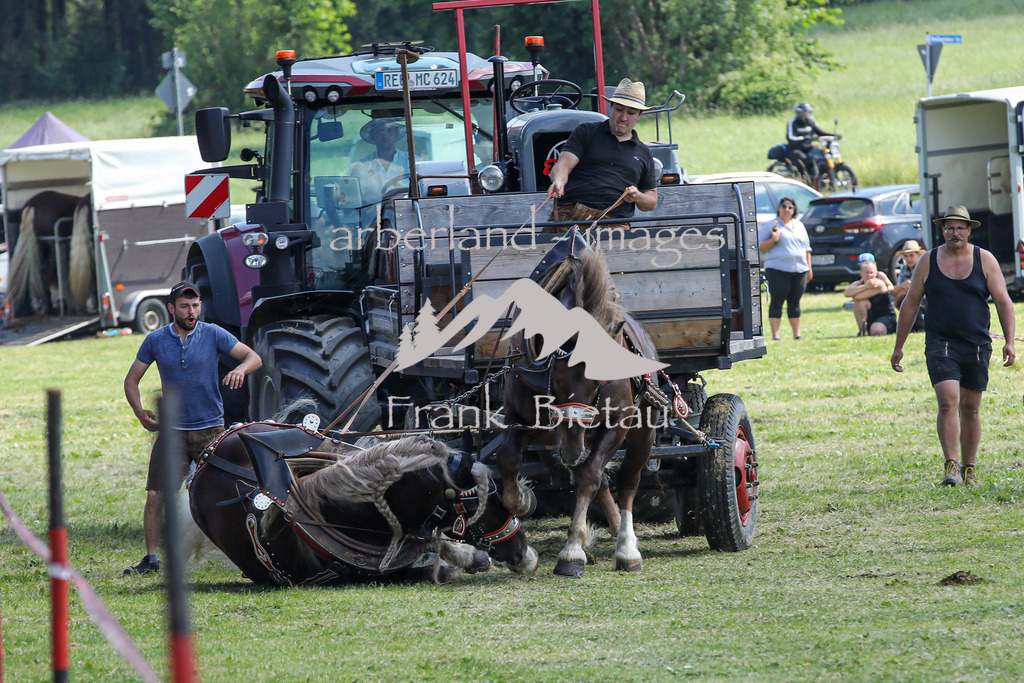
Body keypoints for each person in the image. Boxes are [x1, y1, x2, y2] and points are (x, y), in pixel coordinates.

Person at [122, 281, 262, 574]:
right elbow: (131, 379)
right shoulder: (156, 340)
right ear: (171, 309)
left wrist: (239, 369)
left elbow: (254, 358)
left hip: (211, 430)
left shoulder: (213, 334)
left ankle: (245, 556)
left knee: (227, 495)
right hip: (172, 433)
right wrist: (139, 412)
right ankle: (151, 560)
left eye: (196, 305)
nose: (191, 311)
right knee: (155, 496)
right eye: (185, 306)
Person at [890, 206, 1016, 487]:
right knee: (948, 400)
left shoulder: (985, 259)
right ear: (943, 230)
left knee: (971, 407)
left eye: (961, 228)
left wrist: (1009, 341)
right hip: (940, 342)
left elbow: (1004, 301)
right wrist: (899, 345)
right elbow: (910, 304)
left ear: (970, 230)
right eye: (950, 228)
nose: (955, 233)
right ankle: (951, 466)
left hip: (976, 344)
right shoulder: (928, 261)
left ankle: (969, 467)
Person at [546, 78, 659, 225]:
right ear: (611, 106)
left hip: (615, 221)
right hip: (570, 213)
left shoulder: (643, 153)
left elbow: (651, 199)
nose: (623, 118)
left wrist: (637, 196)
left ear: (639, 115)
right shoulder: (586, 132)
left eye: (631, 113)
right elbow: (564, 165)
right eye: (619, 110)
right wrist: (558, 181)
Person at [758, 196, 812, 340]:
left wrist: (809, 268)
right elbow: (760, 246)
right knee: (778, 300)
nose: (787, 209)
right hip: (778, 269)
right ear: (779, 208)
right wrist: (773, 240)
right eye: (784, 206)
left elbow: (807, 248)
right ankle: (775, 335)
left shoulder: (799, 225)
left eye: (790, 207)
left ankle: (797, 334)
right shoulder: (771, 225)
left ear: (794, 210)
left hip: (800, 269)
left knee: (795, 301)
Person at [350, 117, 411, 202]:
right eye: (380, 131)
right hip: (374, 214)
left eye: (389, 130)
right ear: (373, 135)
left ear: (396, 134)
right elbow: (355, 200)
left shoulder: (412, 161)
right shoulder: (360, 167)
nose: (385, 135)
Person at [844, 253, 896, 336]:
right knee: (859, 303)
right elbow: (846, 293)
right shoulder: (860, 283)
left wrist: (857, 291)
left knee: (876, 331)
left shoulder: (879, 283)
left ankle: (880, 328)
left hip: (885, 316)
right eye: (866, 272)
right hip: (871, 316)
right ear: (861, 273)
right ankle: (863, 330)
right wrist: (865, 286)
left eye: (871, 272)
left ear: (876, 273)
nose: (869, 275)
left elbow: (857, 297)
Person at [785, 102, 834, 177]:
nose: (806, 115)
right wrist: (803, 138)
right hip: (795, 148)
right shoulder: (793, 122)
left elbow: (820, 132)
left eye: (807, 113)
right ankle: (803, 177)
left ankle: (820, 176)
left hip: (807, 147)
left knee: (820, 154)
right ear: (798, 113)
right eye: (803, 113)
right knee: (802, 158)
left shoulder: (811, 121)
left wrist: (833, 135)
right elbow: (790, 137)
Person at [893, 240, 927, 330]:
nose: (908, 259)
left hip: (928, 299)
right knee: (905, 300)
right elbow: (897, 289)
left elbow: (914, 290)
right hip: (912, 297)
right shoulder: (904, 268)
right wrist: (901, 289)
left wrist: (897, 297)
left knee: (910, 299)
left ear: (918, 255)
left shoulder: (923, 267)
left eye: (911, 255)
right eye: (906, 256)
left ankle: (921, 326)